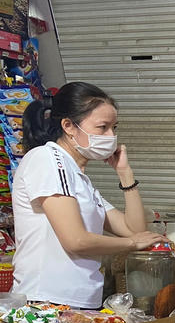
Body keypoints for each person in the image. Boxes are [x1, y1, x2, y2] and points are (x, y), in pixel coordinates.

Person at [13, 81, 166, 308]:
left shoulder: (79, 178)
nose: (111, 136)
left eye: (114, 128)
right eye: (102, 127)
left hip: (78, 302)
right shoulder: (47, 159)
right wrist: (130, 243)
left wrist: (125, 174)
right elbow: (75, 240)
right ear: (68, 126)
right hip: (47, 302)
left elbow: (135, 230)